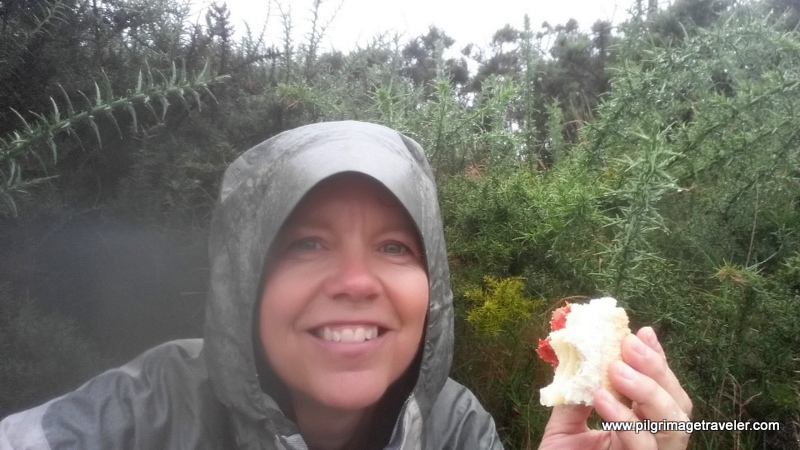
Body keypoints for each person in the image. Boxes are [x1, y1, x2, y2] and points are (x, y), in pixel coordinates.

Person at [0, 121, 691, 449]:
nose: (358, 282)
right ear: (246, 278)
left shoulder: (454, 429)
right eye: (306, 243)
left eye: (395, 246)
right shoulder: (142, 415)